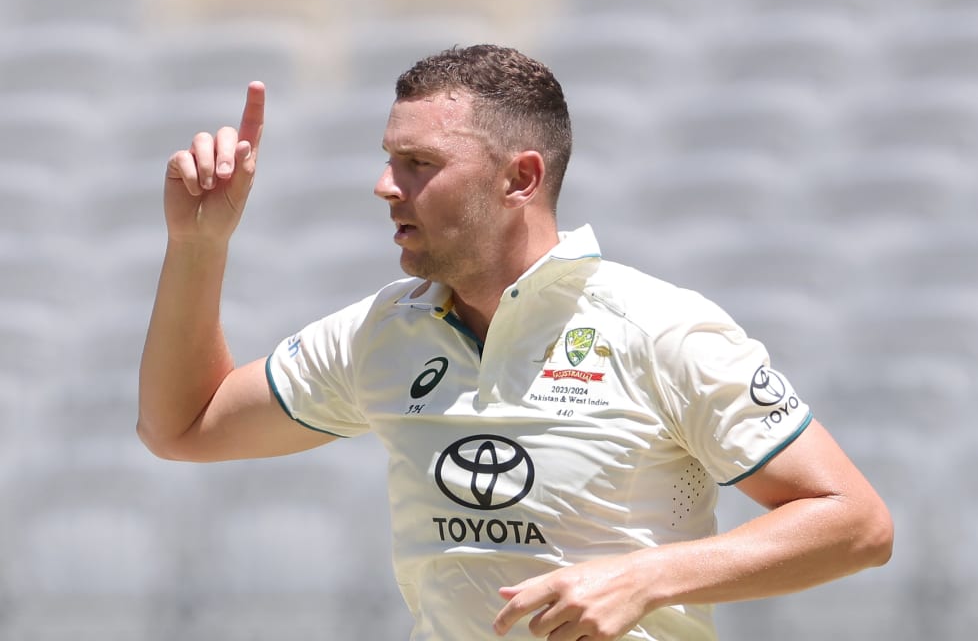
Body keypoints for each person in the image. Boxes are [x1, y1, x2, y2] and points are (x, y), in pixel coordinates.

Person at [138, 44, 893, 641]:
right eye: (389, 157)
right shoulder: (381, 330)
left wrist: (646, 577)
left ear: (520, 178)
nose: (384, 185)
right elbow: (182, 427)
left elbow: (855, 522)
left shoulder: (658, 327)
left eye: (419, 164)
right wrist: (197, 245)